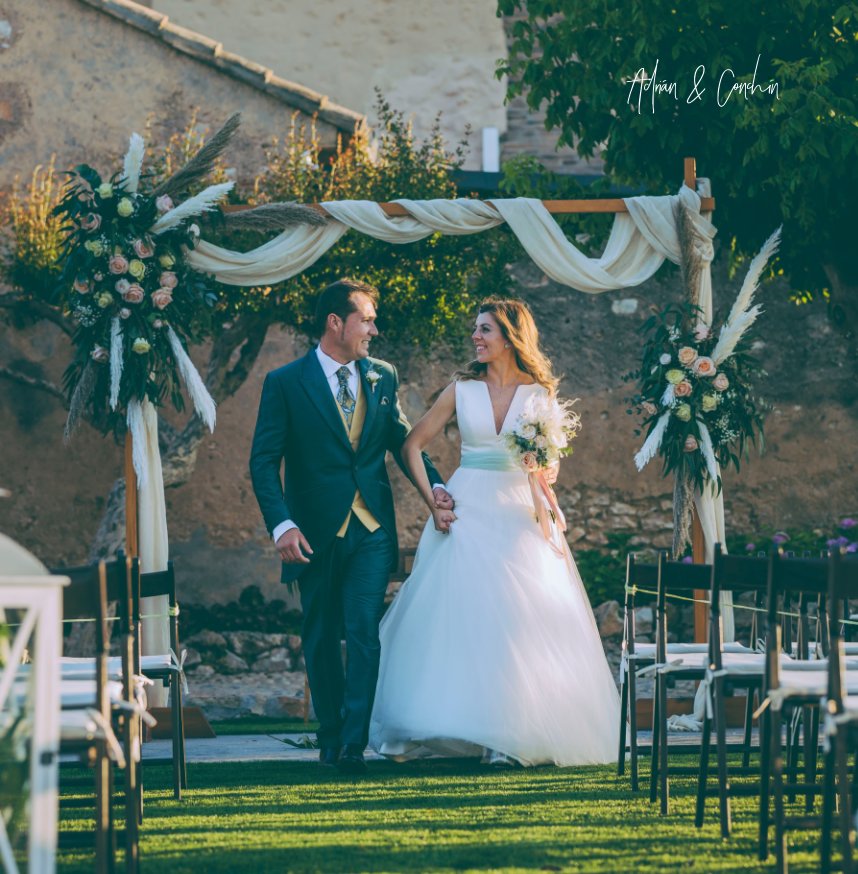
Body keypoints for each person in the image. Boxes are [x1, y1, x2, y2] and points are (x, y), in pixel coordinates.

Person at [369, 298, 621, 767]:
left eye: (485, 330)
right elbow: (411, 445)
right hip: (467, 509)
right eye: (476, 330)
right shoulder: (461, 389)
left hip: (520, 514)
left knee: (516, 622)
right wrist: (434, 499)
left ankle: (512, 734)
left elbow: (552, 469)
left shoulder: (540, 395)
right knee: (457, 618)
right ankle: (439, 723)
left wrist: (539, 464)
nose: (476, 338)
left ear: (509, 336)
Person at [249, 278, 452, 774]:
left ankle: (353, 743)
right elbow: (262, 462)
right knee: (320, 634)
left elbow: (404, 441)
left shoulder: (382, 376)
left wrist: (438, 492)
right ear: (335, 323)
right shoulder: (285, 383)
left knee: (363, 631)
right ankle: (330, 733)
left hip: (371, 531)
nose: (373, 329)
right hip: (312, 535)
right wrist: (282, 526)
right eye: (366, 318)